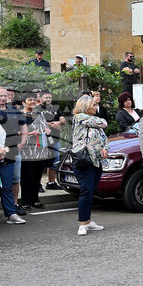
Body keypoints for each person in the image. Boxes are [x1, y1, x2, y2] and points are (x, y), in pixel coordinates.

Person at [70, 95, 108, 235]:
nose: (96, 106)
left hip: (96, 160)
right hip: (83, 159)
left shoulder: (93, 123)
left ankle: (88, 221)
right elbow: (104, 123)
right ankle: (82, 223)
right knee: (86, 190)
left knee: (91, 190)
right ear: (85, 107)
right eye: (93, 105)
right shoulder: (80, 117)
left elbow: (104, 137)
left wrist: (105, 148)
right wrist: (101, 120)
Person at [0, 87, 27, 224]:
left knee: (8, 183)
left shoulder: (14, 110)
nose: (3, 98)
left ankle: (11, 213)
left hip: (11, 152)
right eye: (0, 95)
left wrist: (22, 142)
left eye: (5, 96)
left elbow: (23, 126)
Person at [20, 93, 52, 210]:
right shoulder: (20, 115)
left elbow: (44, 128)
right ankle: (25, 202)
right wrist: (28, 133)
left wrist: (47, 130)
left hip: (40, 151)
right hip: (26, 152)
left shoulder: (40, 115)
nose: (33, 101)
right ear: (23, 102)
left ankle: (35, 200)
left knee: (37, 177)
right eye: (29, 99)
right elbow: (15, 132)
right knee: (26, 177)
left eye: (34, 99)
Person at [37, 91, 65, 190]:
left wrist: (58, 122)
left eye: (49, 97)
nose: (48, 99)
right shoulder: (37, 109)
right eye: (46, 97)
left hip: (55, 139)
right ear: (40, 98)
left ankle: (51, 183)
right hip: (42, 139)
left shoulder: (55, 108)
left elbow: (63, 120)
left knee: (54, 161)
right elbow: (38, 121)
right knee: (40, 162)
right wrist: (53, 124)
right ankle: (37, 184)